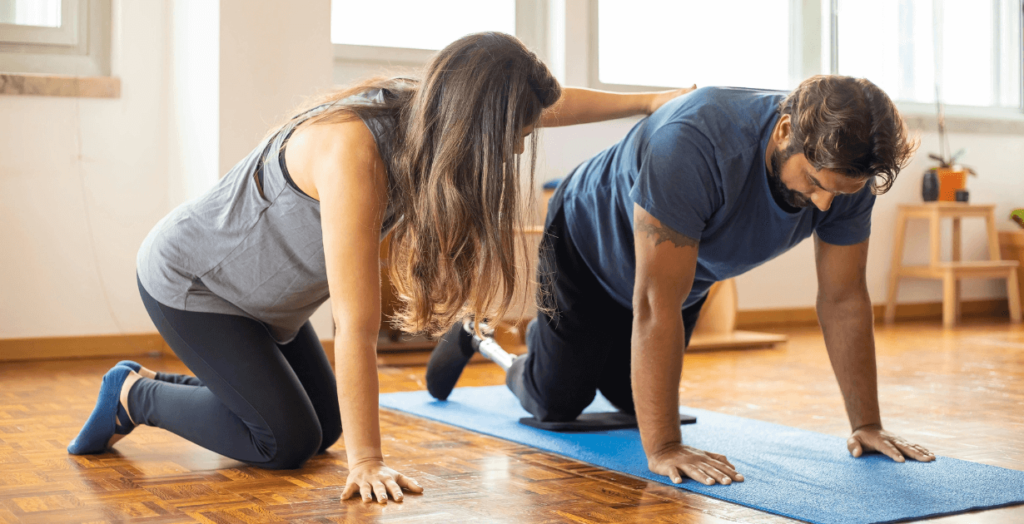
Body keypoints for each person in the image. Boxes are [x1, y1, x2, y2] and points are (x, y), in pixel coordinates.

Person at [67, 32, 695, 504]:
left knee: (325, 426)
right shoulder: (354, 152)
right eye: (514, 134)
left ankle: (182, 389)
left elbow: (546, 106)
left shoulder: (438, 113)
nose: (520, 146)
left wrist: (649, 101)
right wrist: (367, 461)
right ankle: (133, 393)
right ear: (480, 124)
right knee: (283, 444)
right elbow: (356, 325)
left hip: (269, 308)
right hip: (198, 287)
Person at [428, 75, 936, 487]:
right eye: (817, 184)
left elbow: (844, 299)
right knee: (557, 401)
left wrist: (866, 424)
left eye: (841, 192)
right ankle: (482, 335)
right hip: (584, 248)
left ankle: (582, 350)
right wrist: (664, 448)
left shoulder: (850, 175)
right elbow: (652, 305)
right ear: (784, 132)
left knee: (634, 400)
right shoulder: (695, 142)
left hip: (682, 278)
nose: (825, 205)